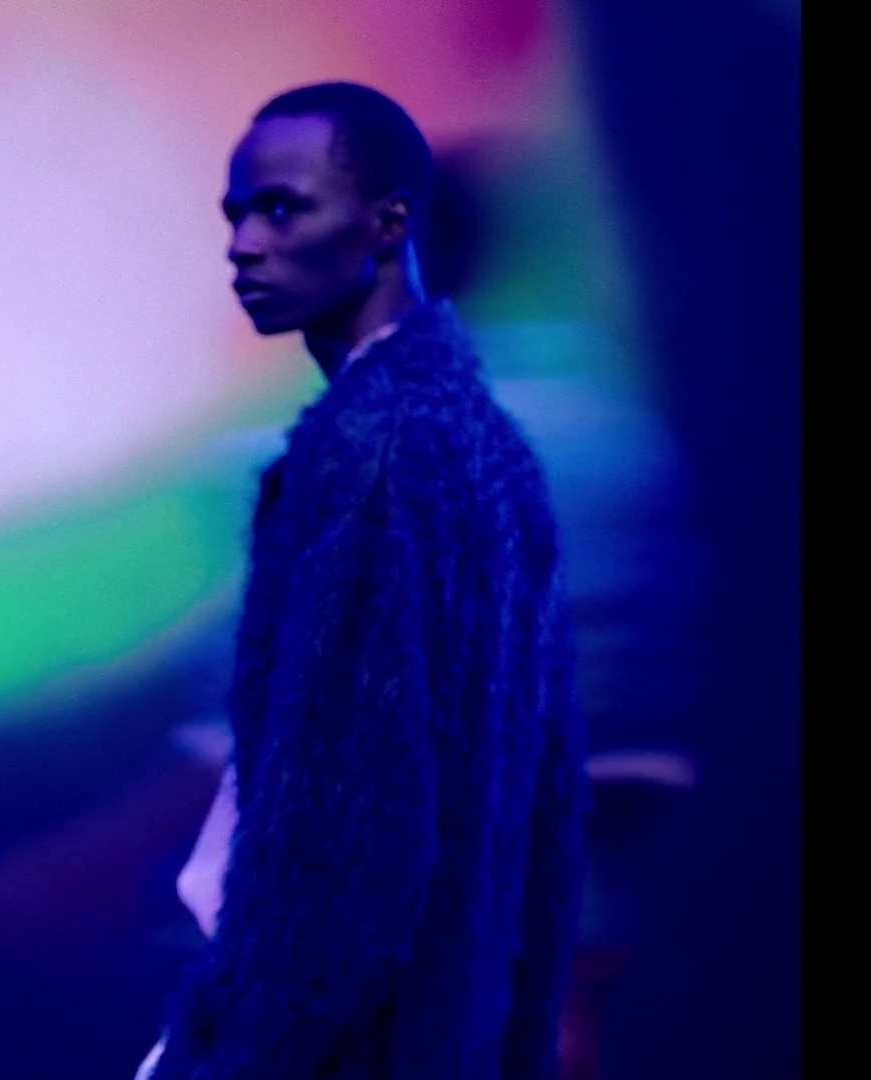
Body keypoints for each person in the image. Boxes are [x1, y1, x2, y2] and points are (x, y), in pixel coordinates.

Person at [139, 82, 586, 1080]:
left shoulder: (373, 454)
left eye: (282, 209)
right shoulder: (481, 442)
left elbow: (352, 825)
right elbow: (540, 823)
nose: (243, 246)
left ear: (388, 224)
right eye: (236, 215)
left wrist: (237, 1049)